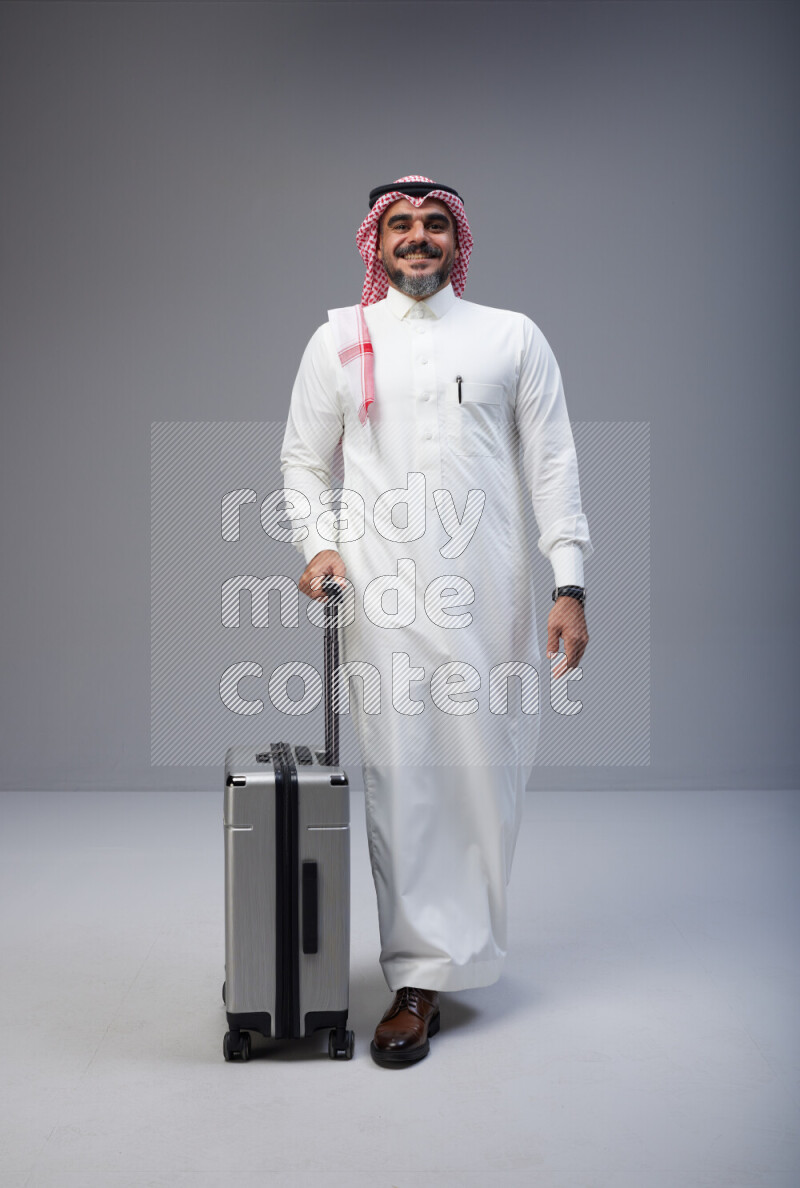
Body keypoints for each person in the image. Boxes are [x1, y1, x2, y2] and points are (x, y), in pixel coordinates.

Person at [280, 175, 592, 1067]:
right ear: (375, 243)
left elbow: (555, 465)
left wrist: (570, 583)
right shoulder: (340, 338)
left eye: (435, 226)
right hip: (380, 598)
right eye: (402, 227)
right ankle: (416, 978)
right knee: (403, 779)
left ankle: (460, 954)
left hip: (488, 596)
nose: (418, 239)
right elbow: (304, 462)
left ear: (458, 241)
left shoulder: (510, 337)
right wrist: (319, 545)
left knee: (481, 779)